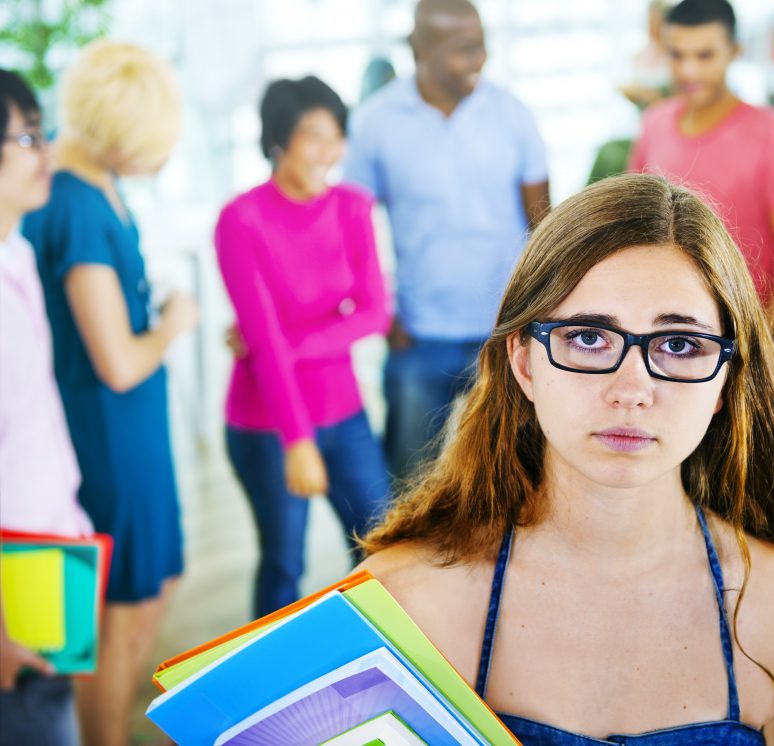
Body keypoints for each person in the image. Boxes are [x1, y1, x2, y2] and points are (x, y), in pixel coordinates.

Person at [356, 173, 774, 744]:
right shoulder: (396, 606)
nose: (631, 389)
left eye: (679, 345)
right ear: (525, 363)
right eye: (588, 338)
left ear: (726, 384)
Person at [21, 41, 198, 746]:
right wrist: (174, 324)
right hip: (109, 435)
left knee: (147, 590)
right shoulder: (79, 206)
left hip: (126, 430)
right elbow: (119, 363)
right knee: (118, 609)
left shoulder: (88, 187)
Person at [344, 0, 550, 479]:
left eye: (482, 45)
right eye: (464, 49)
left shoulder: (512, 115)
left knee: (514, 475)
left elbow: (543, 224)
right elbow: (352, 229)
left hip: (505, 330)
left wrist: (542, 316)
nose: (480, 58)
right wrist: (386, 314)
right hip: (418, 332)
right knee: (410, 480)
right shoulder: (375, 121)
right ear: (421, 49)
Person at [215, 75, 392, 619]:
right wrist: (297, 441)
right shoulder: (241, 220)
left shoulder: (353, 207)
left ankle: (378, 658)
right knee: (284, 563)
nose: (329, 151)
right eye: (314, 136)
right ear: (278, 141)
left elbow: (375, 312)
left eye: (337, 135)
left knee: (384, 547)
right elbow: (263, 349)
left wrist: (289, 342)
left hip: (344, 411)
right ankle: (268, 691)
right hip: (268, 426)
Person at [628, 0, 774, 335]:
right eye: (677, 55)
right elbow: (633, 227)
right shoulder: (653, 123)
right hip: (656, 332)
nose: (689, 71)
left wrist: (753, 352)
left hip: (734, 333)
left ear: (734, 51)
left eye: (705, 56)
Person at [0, 68, 93, 746]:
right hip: (12, 575)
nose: (48, 155)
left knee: (54, 704)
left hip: (49, 541)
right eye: (29, 137)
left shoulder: (20, 251)